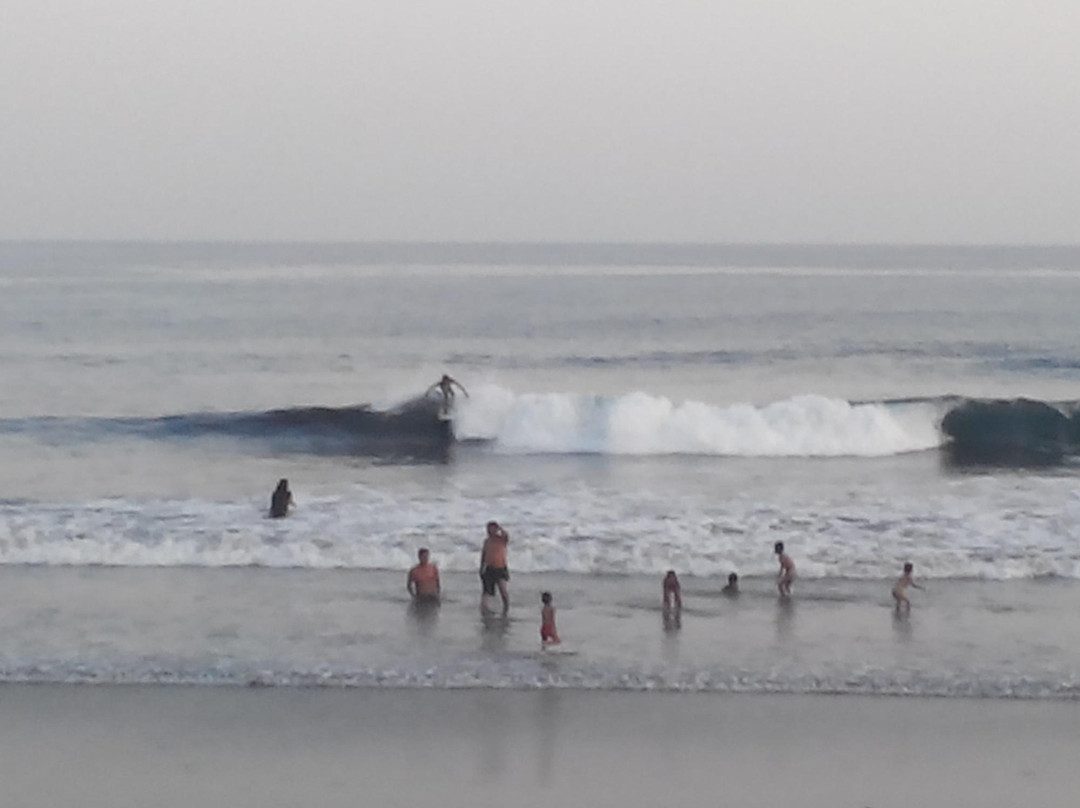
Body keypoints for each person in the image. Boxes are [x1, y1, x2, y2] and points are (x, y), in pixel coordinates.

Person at [479, 521, 510, 613]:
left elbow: (507, 536)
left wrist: (500, 528)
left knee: (503, 591)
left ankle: (506, 608)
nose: (488, 531)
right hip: (489, 568)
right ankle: (484, 609)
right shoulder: (487, 541)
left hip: (500, 568)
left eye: (491, 529)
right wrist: (481, 567)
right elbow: (483, 555)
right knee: (486, 591)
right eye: (488, 529)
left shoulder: (501, 539)